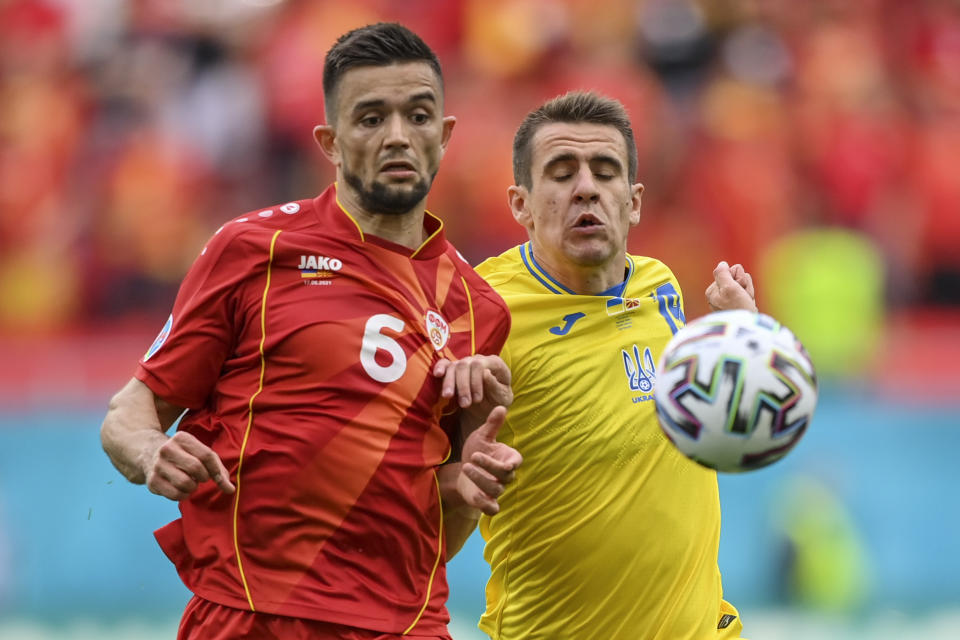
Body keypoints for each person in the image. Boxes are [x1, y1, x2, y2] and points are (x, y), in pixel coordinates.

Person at [100, 23, 521, 640]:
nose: (398, 136)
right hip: (250, 615)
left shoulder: (478, 308)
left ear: (445, 133)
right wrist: (151, 452)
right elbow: (129, 413)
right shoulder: (253, 249)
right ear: (329, 140)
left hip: (404, 625)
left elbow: (441, 533)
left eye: (419, 115)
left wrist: (468, 481)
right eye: (371, 118)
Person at [467, 91, 758, 639]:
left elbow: (713, 438)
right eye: (560, 172)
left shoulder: (660, 286)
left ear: (635, 200)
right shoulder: (482, 311)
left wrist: (744, 341)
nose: (586, 188)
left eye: (606, 172)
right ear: (520, 204)